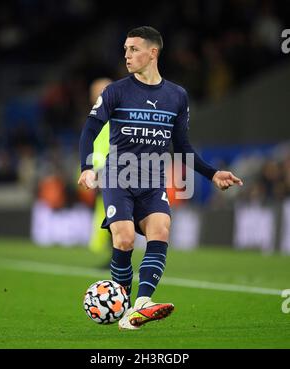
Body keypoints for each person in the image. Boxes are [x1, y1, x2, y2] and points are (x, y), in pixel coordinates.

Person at [78, 26, 243, 330]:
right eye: (125, 49)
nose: (126, 55)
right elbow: (90, 129)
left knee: (161, 231)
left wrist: (212, 173)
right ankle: (123, 301)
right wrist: (86, 168)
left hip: (153, 179)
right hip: (119, 175)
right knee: (125, 239)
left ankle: (141, 305)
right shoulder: (115, 91)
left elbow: (182, 147)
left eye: (133, 49)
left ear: (152, 53)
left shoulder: (177, 96)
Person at [86, 78, 112, 257]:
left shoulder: (116, 116)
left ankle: (115, 256)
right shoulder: (97, 117)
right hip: (99, 172)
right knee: (106, 214)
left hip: (113, 171)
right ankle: (111, 255)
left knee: (114, 213)